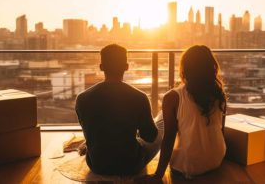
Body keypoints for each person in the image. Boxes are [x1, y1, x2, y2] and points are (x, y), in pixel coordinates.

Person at [137, 45, 227, 183]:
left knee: (162, 116)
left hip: (187, 166)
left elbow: (168, 139)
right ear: (211, 67)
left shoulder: (173, 97)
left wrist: (158, 175)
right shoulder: (218, 93)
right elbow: (221, 130)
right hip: (216, 159)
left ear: (185, 68)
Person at [75, 44, 163, 176]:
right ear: (126, 67)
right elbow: (150, 137)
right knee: (161, 127)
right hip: (130, 165)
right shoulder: (139, 97)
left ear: (101, 67)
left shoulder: (82, 98)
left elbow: (89, 129)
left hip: (96, 165)